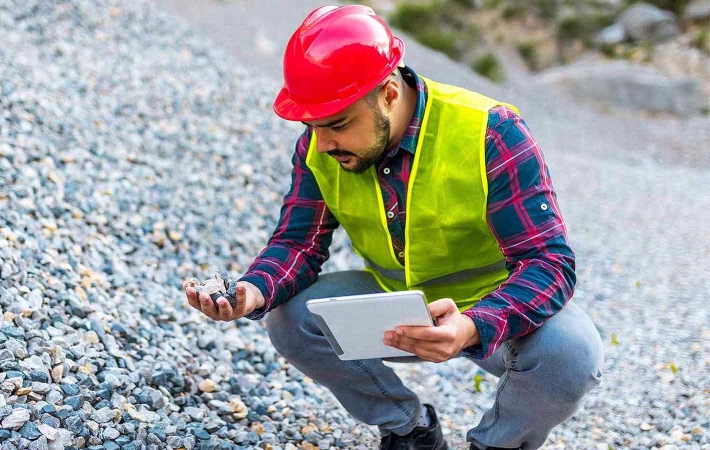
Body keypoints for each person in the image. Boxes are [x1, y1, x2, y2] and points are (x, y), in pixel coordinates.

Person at [182, 5, 603, 450]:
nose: (322, 144)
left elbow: (549, 263)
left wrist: (474, 325)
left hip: (494, 313)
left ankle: (496, 443)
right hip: (397, 310)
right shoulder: (319, 146)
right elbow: (298, 244)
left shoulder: (491, 133)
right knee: (290, 317)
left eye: (338, 124)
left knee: (572, 355)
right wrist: (251, 292)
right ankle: (410, 429)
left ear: (387, 93)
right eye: (313, 126)